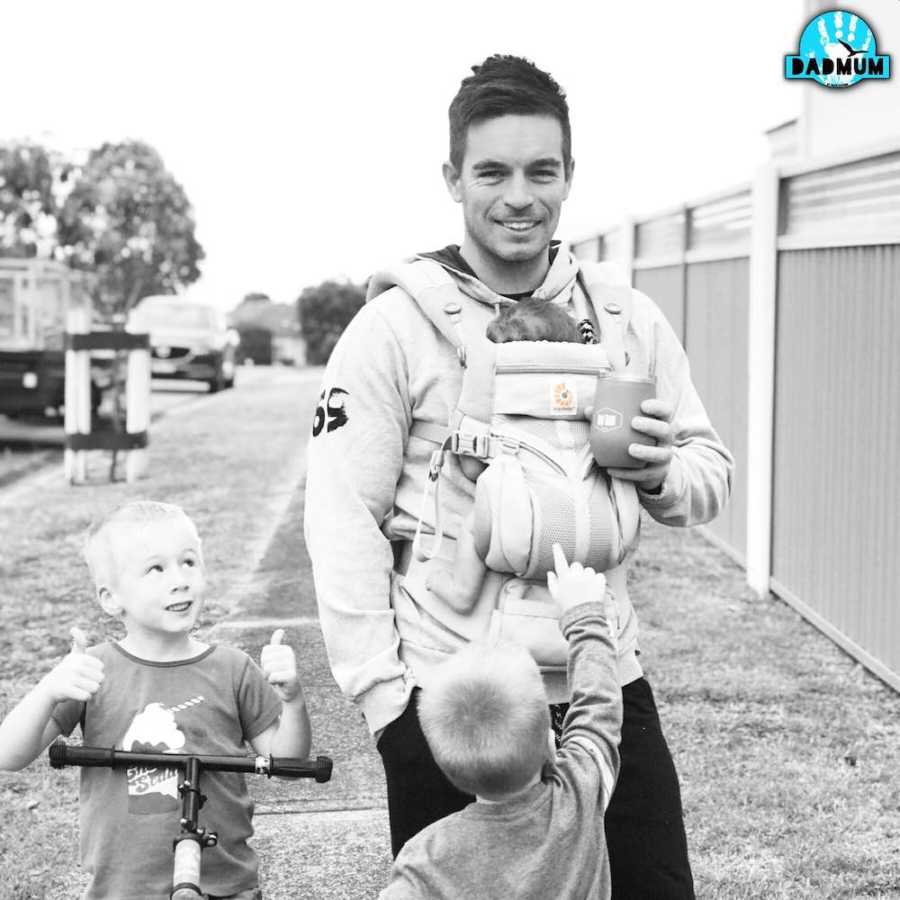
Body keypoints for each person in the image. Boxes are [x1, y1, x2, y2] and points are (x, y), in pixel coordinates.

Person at [303, 54, 732, 898]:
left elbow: (707, 470)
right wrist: (388, 706)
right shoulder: (391, 330)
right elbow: (342, 519)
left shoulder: (624, 319)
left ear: (570, 175)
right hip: (455, 701)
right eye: (492, 171)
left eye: (542, 170)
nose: (519, 196)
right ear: (452, 178)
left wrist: (657, 471)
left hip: (601, 679)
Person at [0, 500, 312, 900]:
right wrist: (49, 689)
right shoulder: (93, 671)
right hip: (124, 889)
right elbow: (9, 755)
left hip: (226, 885)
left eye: (189, 562)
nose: (180, 580)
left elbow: (287, 764)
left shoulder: (233, 669)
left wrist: (292, 700)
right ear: (112, 599)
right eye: (156, 569)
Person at [379, 545, 622, 899]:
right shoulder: (578, 797)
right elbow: (598, 705)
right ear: (551, 743)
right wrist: (584, 615)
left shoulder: (427, 858)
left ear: (446, 766)